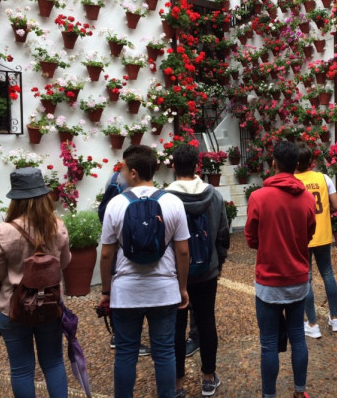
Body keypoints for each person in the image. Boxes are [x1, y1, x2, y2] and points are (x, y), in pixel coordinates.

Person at [100, 145, 190, 398]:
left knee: (126, 352)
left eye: (123, 169)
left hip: (126, 292)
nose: (121, 174)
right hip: (164, 290)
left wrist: (106, 291)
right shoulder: (172, 201)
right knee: (164, 352)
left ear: (134, 173)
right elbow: (183, 251)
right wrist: (182, 287)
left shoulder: (116, 204)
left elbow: (106, 254)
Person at [0, 167, 71, 398]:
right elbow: (64, 264)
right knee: (54, 362)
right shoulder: (58, 226)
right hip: (49, 305)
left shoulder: (4, 231)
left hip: (13, 307)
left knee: (22, 369)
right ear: (44, 196)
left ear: (15, 199)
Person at [245, 141, 316, 398]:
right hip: (298, 277)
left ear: (273, 163)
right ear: (297, 165)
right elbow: (310, 233)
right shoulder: (307, 198)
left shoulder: (258, 197)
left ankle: (269, 395)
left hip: (268, 280)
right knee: (298, 336)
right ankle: (299, 391)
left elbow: (251, 238)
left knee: (268, 344)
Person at [167, 144, 230, 397]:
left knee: (176, 326)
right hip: (207, 271)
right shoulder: (213, 195)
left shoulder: (165, 198)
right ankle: (208, 378)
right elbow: (223, 234)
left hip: (174, 273)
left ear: (173, 167)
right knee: (206, 322)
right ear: (197, 167)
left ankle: (178, 384)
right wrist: (219, 262)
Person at [98, 169, 151, 357]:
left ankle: (120, 336)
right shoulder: (121, 181)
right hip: (123, 244)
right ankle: (119, 337)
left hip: (117, 242)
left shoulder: (114, 178)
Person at [294, 143, 337, 338]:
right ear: (311, 161)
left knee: (307, 278)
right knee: (328, 273)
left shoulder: (292, 181)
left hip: (302, 236)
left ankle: (312, 324)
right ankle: (335, 318)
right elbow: (336, 205)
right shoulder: (324, 178)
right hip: (322, 234)